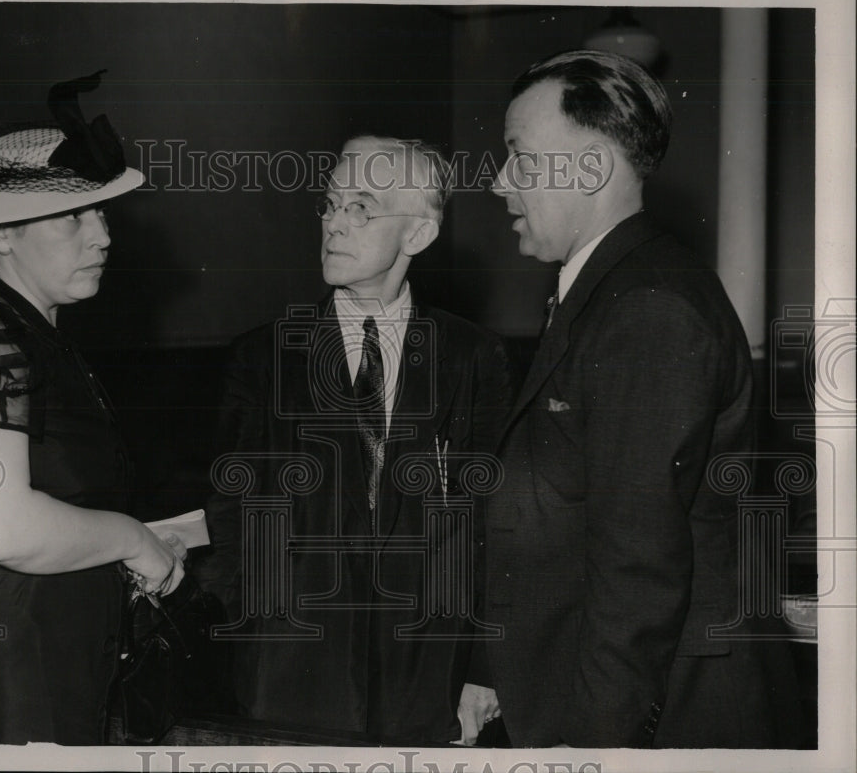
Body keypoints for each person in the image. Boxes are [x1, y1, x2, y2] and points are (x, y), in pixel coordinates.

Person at [464, 49, 799, 748]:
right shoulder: (609, 290)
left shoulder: (646, 307)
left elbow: (636, 571)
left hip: (675, 714)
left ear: (591, 169)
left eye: (520, 158)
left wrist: (587, 752)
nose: (500, 183)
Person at [0, 72, 186, 745]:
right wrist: (135, 542)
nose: (102, 237)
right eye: (74, 215)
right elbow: (6, 529)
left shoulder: (32, 334)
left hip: (44, 671)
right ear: (1, 233)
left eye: (102, 213)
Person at [194, 136, 514, 745]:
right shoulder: (261, 359)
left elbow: (496, 526)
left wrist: (484, 669)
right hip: (289, 681)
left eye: (361, 208)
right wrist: (242, 659)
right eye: (331, 204)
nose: (335, 225)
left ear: (418, 235)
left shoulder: (474, 357)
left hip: (430, 679)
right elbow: (229, 527)